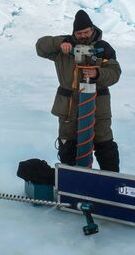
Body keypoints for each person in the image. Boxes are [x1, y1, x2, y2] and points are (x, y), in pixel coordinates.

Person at [36, 10, 121, 172]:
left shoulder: (104, 48)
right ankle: (70, 183)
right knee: (68, 146)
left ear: (92, 29)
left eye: (86, 32)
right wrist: (60, 44)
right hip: (69, 108)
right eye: (79, 33)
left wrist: (98, 74)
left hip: (98, 107)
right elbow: (40, 46)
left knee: (105, 146)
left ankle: (112, 184)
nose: (83, 36)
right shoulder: (65, 45)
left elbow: (115, 73)